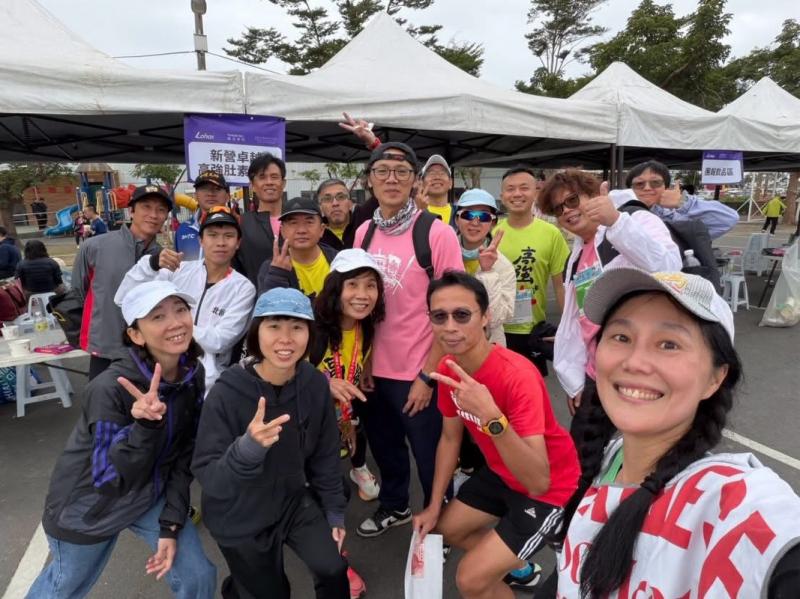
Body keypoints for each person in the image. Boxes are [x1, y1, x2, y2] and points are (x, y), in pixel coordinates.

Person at [545, 268, 800, 597]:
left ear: (715, 378)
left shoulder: (732, 501)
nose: (635, 362)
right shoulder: (606, 460)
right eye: (621, 337)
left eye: (669, 344)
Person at [27, 281, 216, 599]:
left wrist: (171, 522)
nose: (175, 323)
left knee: (197, 575)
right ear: (136, 334)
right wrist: (145, 426)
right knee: (63, 588)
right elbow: (108, 479)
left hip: (149, 492)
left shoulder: (190, 373)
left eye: (180, 310)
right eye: (157, 316)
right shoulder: (110, 388)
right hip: (89, 505)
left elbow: (185, 453)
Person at [412, 271, 580, 598]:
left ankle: (505, 562)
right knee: (446, 528)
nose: (450, 326)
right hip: (502, 473)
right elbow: (450, 439)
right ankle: (515, 568)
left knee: (470, 579)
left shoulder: (517, 376)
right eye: (439, 316)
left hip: (549, 486)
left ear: (486, 317)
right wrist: (433, 505)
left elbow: (538, 481)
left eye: (462, 315)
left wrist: (491, 417)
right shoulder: (448, 368)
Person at [192, 288, 350, 599]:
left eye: (297, 327)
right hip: (239, 514)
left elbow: (326, 453)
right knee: (271, 592)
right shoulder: (226, 393)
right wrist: (246, 450)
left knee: (333, 568)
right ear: (256, 331)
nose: (286, 339)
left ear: (310, 334)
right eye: (274, 326)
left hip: (292, 500)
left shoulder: (314, 383)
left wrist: (334, 510)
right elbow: (209, 476)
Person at [352, 141, 463, 538]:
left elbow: (453, 313)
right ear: (370, 180)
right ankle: (395, 505)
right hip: (373, 369)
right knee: (385, 448)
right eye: (382, 171)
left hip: (419, 371)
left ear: (415, 181)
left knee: (432, 456)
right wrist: (363, 361)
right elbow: (358, 303)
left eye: (402, 172)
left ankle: (441, 521)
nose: (392, 179)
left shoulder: (436, 233)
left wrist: (428, 376)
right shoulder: (363, 232)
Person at [535, 169, 681, 443]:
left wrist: (615, 222)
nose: (567, 211)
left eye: (573, 200)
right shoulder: (577, 253)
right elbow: (579, 319)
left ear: (593, 195)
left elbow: (669, 268)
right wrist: (575, 381)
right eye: (558, 209)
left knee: (641, 450)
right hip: (596, 373)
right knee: (585, 454)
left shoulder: (636, 219)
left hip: (640, 369)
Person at [115, 206, 256, 393]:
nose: (221, 242)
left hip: (208, 382)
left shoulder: (244, 288)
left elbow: (219, 341)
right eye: (212, 235)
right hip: (158, 371)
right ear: (201, 241)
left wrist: (168, 329)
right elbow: (124, 298)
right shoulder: (179, 270)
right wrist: (150, 264)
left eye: (228, 236)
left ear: (238, 243)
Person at [73, 184, 171, 380]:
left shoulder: (163, 257)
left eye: (161, 210)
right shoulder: (94, 246)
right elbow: (78, 291)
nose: (153, 215)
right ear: (131, 211)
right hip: (106, 348)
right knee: (101, 398)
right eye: (146, 207)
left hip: (148, 349)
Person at [311, 249, 384, 503]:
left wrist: (365, 370)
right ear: (335, 289)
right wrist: (324, 383)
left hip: (344, 408)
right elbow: (286, 373)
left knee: (356, 425)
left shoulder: (366, 326)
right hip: (309, 414)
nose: (362, 295)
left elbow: (358, 359)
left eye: (370, 286)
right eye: (352, 285)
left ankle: (358, 466)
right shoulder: (312, 328)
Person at [495, 166, 570, 375]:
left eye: (524, 188)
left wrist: (569, 328)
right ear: (502, 196)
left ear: (536, 193)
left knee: (531, 388)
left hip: (533, 330)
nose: (517, 194)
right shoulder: (491, 232)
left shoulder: (551, 234)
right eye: (510, 189)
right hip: (496, 329)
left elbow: (562, 286)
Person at [611, 160, 739, 239]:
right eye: (639, 184)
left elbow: (728, 220)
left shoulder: (675, 217)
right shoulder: (617, 213)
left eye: (655, 183)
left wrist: (683, 203)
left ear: (666, 187)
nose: (647, 188)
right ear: (629, 189)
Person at [453, 188, 515, 346]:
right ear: (457, 219)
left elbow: (496, 318)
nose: (475, 222)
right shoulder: (441, 255)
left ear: (493, 223)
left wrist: (488, 272)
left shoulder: (503, 265)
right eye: (468, 215)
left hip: (487, 347)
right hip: (449, 344)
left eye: (484, 216)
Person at [258, 196, 338, 297]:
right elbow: (267, 304)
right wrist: (277, 276)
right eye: (293, 223)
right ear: (282, 231)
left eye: (309, 222)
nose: (301, 230)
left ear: (322, 229)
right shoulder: (272, 267)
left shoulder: (338, 261)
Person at [236, 154, 287, 285]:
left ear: (283, 183)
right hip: (255, 294)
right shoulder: (242, 223)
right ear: (252, 185)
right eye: (262, 177)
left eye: (274, 177)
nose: (269, 182)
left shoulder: (297, 220)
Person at [175, 170, 230, 260]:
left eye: (217, 189)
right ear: (195, 196)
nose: (210, 193)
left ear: (227, 196)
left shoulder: (239, 227)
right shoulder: (182, 229)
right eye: (204, 188)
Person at [318, 179, 356, 251]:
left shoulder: (365, 227)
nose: (335, 203)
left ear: (350, 204)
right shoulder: (316, 236)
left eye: (341, 197)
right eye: (327, 199)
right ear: (321, 207)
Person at [418, 155, 456, 227]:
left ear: (451, 183)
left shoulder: (461, 215)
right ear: (422, 183)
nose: (437, 177)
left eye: (442, 173)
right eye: (431, 173)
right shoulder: (411, 215)